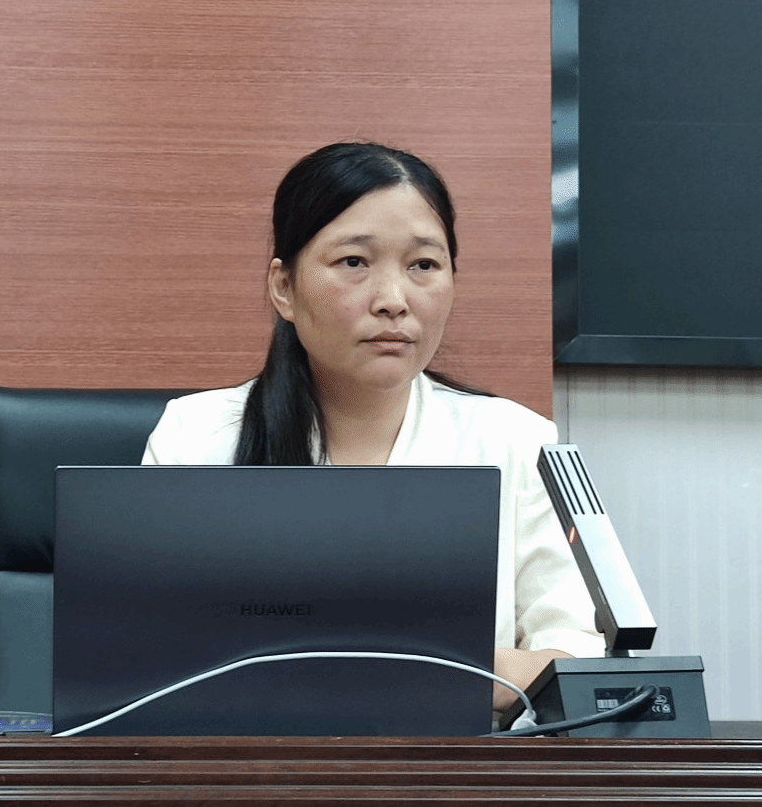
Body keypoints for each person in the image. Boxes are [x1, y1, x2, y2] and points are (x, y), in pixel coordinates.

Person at [142, 141, 603, 711]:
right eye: (354, 262)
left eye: (423, 265)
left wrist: (409, 672)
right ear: (284, 287)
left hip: (458, 764)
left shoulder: (517, 441)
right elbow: (148, 657)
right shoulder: (196, 436)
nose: (393, 300)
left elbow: (580, 659)